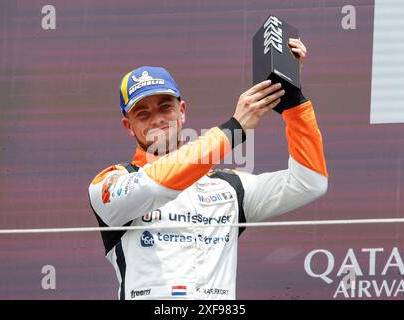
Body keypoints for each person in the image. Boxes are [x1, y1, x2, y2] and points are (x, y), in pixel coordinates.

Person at [88, 38, 328, 300]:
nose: (157, 119)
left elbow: (310, 182)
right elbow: (157, 183)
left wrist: (293, 103)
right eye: (142, 113)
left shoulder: (229, 186)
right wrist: (234, 130)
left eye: (165, 107)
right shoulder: (110, 182)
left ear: (182, 111)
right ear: (128, 126)